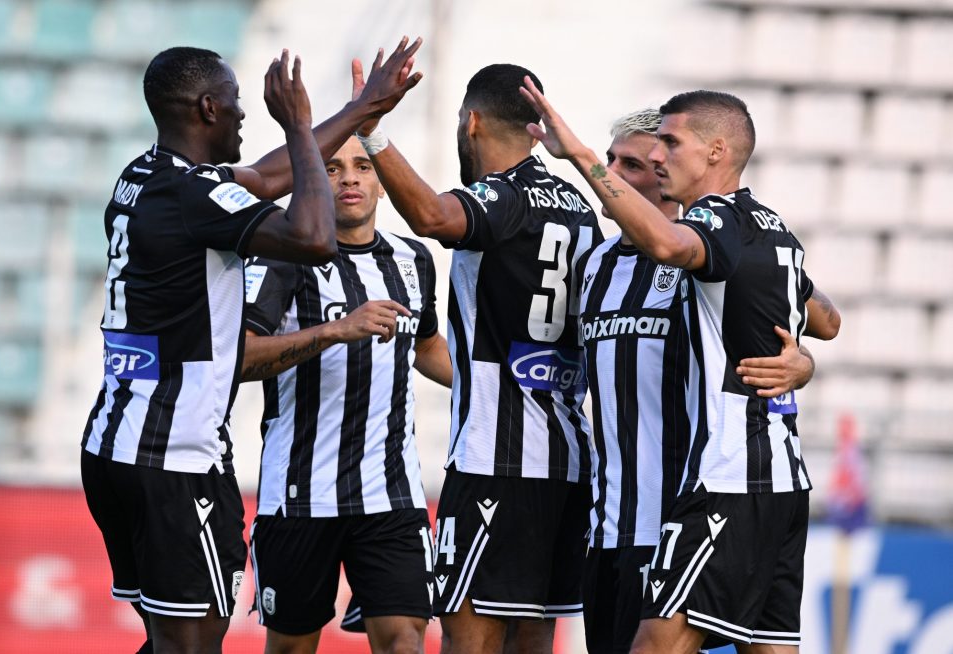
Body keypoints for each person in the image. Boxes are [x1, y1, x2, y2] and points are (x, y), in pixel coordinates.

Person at [80, 42, 423, 654]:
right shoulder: (195, 195)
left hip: (115, 443)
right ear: (208, 109)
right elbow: (313, 238)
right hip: (176, 455)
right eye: (236, 103)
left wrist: (362, 109)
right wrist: (296, 124)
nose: (244, 114)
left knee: (167, 640)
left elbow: (267, 179)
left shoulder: (146, 176)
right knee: (192, 643)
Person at [523, 85, 841, 653]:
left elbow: (818, 319)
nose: (658, 158)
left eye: (661, 150)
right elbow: (816, 318)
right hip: (642, 508)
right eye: (615, 159)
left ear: (715, 151)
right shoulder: (603, 263)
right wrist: (800, 360)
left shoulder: (712, 228)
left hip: (709, 489)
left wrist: (578, 156)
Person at [352, 62, 601, 654]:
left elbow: (433, 217)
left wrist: (372, 130)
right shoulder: (580, 206)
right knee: (533, 636)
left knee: (470, 638)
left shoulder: (502, 196)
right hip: (568, 461)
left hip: (495, 460)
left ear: (472, 121)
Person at [241, 134, 452, 654]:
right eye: (332, 168)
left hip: (391, 492)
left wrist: (497, 387)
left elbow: (426, 345)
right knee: (291, 648)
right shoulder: (282, 257)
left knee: (405, 641)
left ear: (382, 183)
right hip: (300, 494)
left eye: (363, 166)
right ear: (312, 180)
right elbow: (240, 357)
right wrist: (335, 330)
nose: (350, 178)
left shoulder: (413, 259)